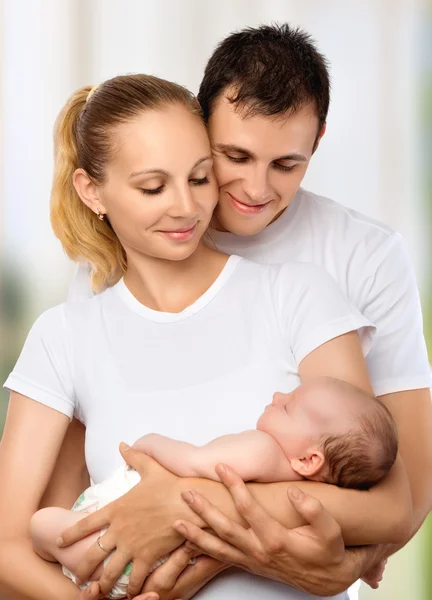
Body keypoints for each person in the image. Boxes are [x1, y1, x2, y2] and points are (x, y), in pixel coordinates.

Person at [0, 72, 412, 600]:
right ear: (92, 190)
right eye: (153, 186)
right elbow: (11, 544)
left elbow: (387, 504)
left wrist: (184, 503)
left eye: (199, 178)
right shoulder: (64, 335)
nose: (185, 207)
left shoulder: (299, 295)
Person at [29, 379, 398, 598]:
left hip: (123, 543)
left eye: (288, 408)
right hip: (166, 566)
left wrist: (151, 443)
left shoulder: (262, 448)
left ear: (308, 461)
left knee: (42, 526)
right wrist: (370, 559)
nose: (277, 396)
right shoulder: (300, 501)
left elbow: (196, 463)